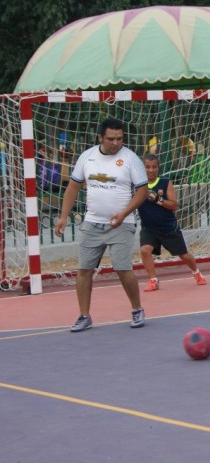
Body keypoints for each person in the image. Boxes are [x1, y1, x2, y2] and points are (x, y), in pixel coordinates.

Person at [54, 117, 149, 332]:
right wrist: (63, 216)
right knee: (84, 270)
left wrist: (124, 213)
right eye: (111, 139)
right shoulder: (87, 157)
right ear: (100, 137)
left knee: (122, 268)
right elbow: (73, 187)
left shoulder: (131, 159)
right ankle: (84, 315)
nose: (116, 143)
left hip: (122, 224)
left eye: (119, 138)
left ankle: (137, 309)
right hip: (93, 222)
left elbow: (142, 192)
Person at [138, 154, 207, 292]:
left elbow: (174, 205)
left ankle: (197, 272)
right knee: (145, 250)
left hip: (168, 228)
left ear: (158, 168)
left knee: (183, 254)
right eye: (147, 167)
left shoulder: (165, 182)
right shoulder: (138, 185)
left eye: (154, 167)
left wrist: (157, 199)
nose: (150, 170)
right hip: (148, 227)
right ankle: (153, 280)